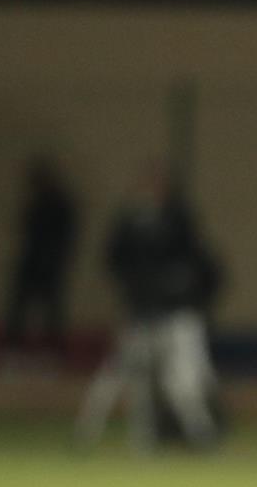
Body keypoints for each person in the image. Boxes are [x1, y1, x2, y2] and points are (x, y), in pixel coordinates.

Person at [73, 163, 227, 451]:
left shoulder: (179, 223)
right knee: (125, 374)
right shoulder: (129, 224)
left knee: (182, 379)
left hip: (176, 313)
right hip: (141, 312)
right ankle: (107, 433)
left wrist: (186, 294)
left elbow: (205, 269)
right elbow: (114, 261)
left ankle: (200, 433)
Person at [3, 156, 78, 353]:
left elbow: (66, 235)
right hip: (32, 260)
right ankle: (14, 347)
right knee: (20, 304)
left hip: (50, 262)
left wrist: (56, 258)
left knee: (51, 307)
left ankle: (53, 348)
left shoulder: (60, 204)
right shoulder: (35, 203)